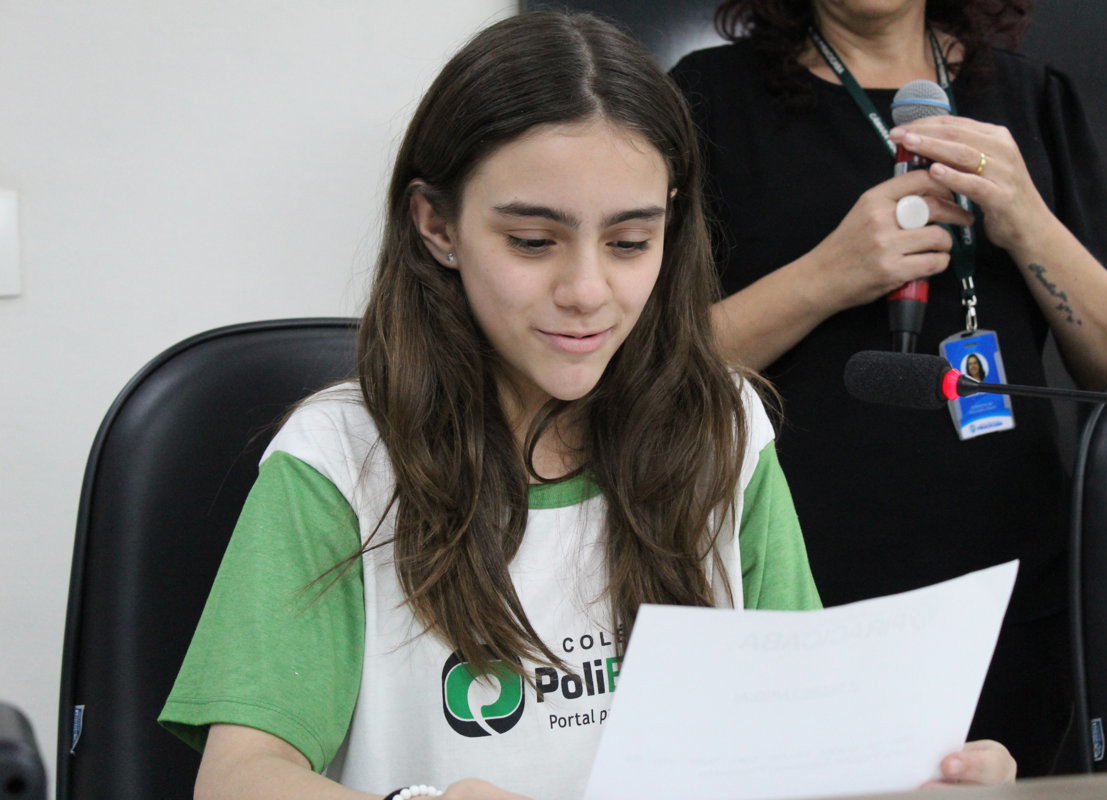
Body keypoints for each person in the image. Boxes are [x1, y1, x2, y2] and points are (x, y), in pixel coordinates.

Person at [158, 11, 1016, 800]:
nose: (587, 291)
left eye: (630, 242)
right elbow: (240, 777)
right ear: (436, 226)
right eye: (532, 242)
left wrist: (912, 775)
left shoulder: (723, 428)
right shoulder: (338, 459)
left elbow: (799, 742)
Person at [670, 0, 1107, 777]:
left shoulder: (1031, 98)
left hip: (1013, 593)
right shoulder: (708, 98)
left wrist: (1026, 217)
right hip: (802, 591)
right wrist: (831, 274)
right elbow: (653, 376)